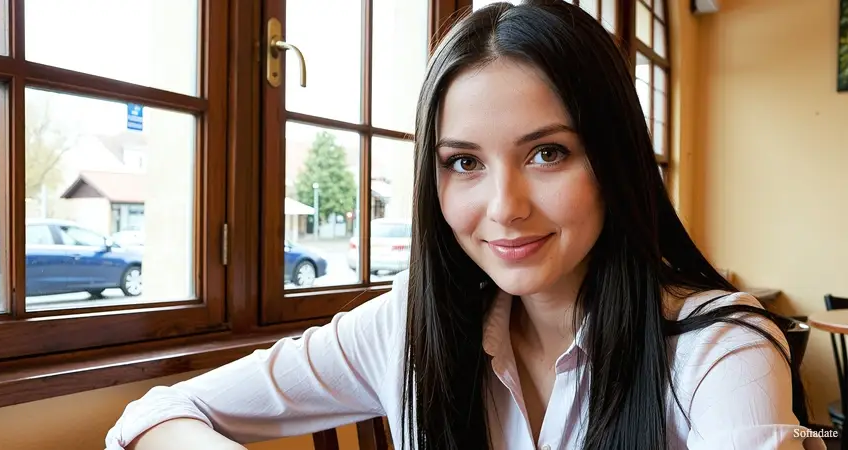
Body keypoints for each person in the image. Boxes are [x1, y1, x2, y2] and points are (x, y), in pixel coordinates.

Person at [105, 1, 825, 449]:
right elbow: (156, 414)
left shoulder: (717, 346)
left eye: (548, 153)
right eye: (463, 163)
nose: (504, 206)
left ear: (614, 159)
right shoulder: (408, 325)